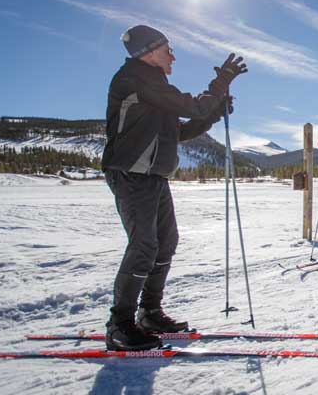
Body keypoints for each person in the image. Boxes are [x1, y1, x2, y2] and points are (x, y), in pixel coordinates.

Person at [102, 24, 247, 351]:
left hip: (152, 175)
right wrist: (220, 83)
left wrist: (214, 111)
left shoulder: (154, 84)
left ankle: (150, 313)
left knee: (165, 242)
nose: (173, 56)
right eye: (168, 50)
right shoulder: (134, 80)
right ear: (149, 52)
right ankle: (119, 325)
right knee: (144, 246)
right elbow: (193, 106)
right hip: (131, 173)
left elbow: (179, 132)